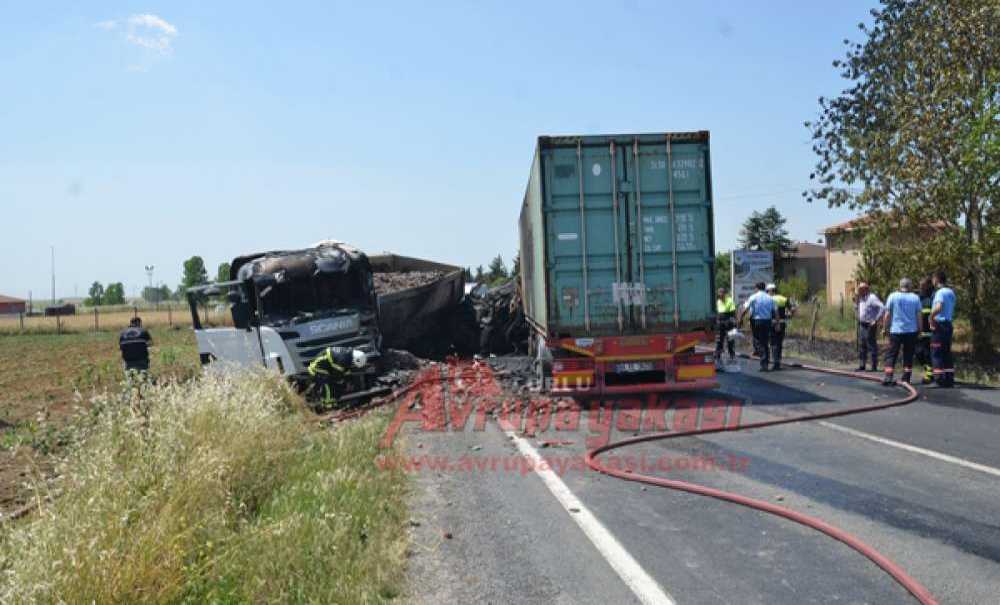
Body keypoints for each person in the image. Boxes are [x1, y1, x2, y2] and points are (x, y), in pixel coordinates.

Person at [882, 278, 921, 385]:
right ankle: (906, 378)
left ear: (900, 286)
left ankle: (888, 377)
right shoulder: (915, 298)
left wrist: (885, 328)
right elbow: (918, 315)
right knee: (908, 355)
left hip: (896, 331)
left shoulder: (893, 296)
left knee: (891, 354)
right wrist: (920, 329)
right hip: (911, 331)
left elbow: (887, 315)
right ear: (910, 286)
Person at [740, 281, 776, 372]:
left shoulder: (753, 297)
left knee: (757, 341)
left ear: (756, 288)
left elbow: (745, 308)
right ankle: (765, 363)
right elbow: (775, 311)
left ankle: (761, 356)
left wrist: (740, 318)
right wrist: (778, 322)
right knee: (764, 342)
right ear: (764, 288)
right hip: (767, 321)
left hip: (756, 321)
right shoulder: (770, 298)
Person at [929, 270, 956, 388]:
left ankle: (938, 379)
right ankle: (949, 379)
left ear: (936, 279)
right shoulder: (951, 292)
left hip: (939, 326)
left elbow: (939, 307)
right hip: (948, 325)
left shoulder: (940, 293)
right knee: (946, 352)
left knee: (936, 352)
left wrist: (931, 317)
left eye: (933, 279)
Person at [855, 282, 885, 372]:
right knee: (861, 344)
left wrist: (876, 320)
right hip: (862, 323)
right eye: (859, 289)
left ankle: (874, 366)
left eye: (861, 289)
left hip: (869, 324)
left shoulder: (872, 298)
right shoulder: (861, 298)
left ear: (866, 289)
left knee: (871, 344)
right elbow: (858, 308)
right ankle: (862, 365)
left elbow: (882, 307)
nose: (859, 291)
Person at [766, 283, 795, 371]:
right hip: (782, 323)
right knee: (779, 342)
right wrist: (790, 316)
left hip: (772, 323)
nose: (767, 292)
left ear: (770, 290)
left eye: (767, 291)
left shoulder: (768, 299)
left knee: (773, 343)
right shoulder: (783, 298)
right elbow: (793, 309)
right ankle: (778, 360)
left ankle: (775, 363)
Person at [916, 277, 935, 384]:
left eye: (923, 285)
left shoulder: (933, 296)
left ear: (928, 285)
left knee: (928, 353)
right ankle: (928, 370)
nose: (921, 287)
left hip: (931, 330)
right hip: (920, 330)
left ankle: (930, 375)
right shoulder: (918, 297)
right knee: (918, 352)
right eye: (920, 285)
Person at [715, 287, 737, 365]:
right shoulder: (718, 301)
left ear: (725, 293)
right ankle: (718, 357)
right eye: (719, 293)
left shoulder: (730, 300)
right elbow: (718, 313)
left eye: (722, 293)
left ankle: (732, 356)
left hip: (729, 322)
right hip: (720, 322)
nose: (720, 295)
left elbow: (733, 313)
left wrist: (734, 323)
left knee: (730, 340)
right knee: (719, 340)